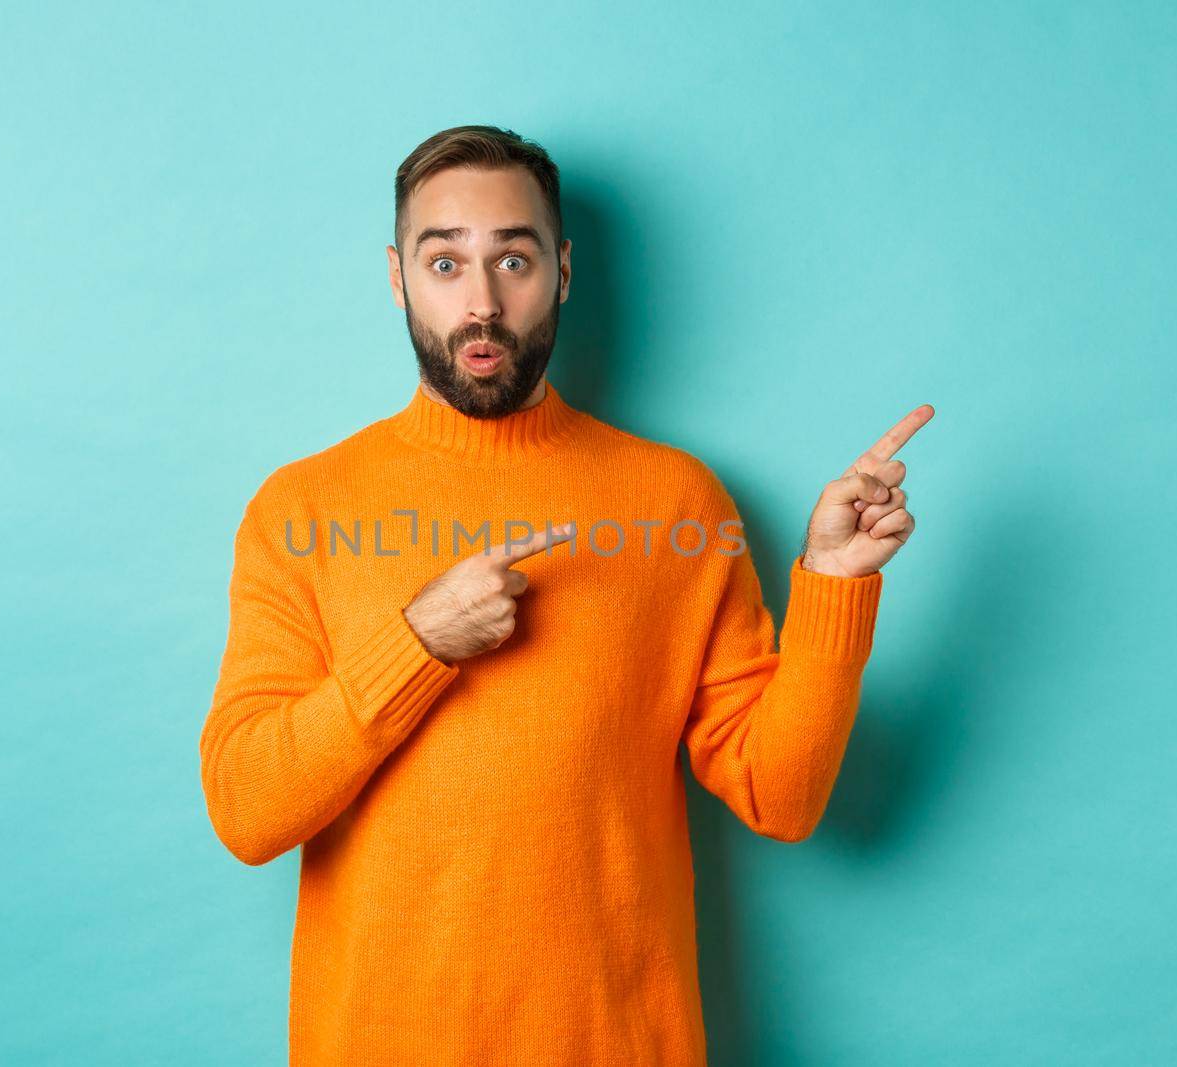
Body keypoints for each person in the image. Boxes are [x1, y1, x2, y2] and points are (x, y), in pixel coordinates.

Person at [198, 124, 932, 1066]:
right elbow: (247, 808)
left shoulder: (677, 501)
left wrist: (832, 587)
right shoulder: (301, 509)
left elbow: (779, 796)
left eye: (514, 256)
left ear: (564, 270)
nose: (482, 302)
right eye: (444, 261)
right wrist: (417, 644)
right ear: (396, 278)